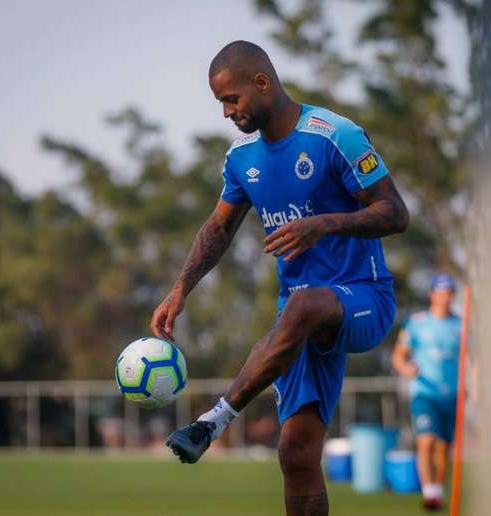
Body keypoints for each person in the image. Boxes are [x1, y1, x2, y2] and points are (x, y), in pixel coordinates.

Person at [150, 40, 408, 516]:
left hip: (362, 298)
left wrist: (324, 223)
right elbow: (218, 229)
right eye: (220, 103)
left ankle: (214, 419)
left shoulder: (336, 136)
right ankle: (220, 421)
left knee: (305, 304)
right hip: (296, 322)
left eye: (232, 99)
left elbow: (396, 213)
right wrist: (179, 289)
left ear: (262, 83)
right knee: (296, 452)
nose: (227, 112)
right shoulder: (241, 157)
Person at [391, 273, 463, 512]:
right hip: (424, 392)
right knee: (426, 440)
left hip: (451, 394)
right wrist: (406, 368)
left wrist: (474, 386)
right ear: (433, 294)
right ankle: (429, 492)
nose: (445, 297)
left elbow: (471, 361)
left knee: (443, 447)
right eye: (441, 292)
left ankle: (438, 492)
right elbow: (399, 355)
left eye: (449, 292)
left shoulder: (460, 326)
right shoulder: (418, 323)